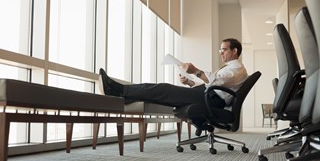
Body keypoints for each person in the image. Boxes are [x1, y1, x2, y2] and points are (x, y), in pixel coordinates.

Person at [99, 38, 248, 109]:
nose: (221, 53)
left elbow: (217, 81)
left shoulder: (237, 68)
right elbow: (214, 83)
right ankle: (125, 95)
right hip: (208, 95)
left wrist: (195, 71)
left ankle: (118, 90)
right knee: (163, 92)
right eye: (220, 50)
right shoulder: (230, 67)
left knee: (163, 89)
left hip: (212, 100)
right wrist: (189, 82)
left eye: (224, 50)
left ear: (234, 51)